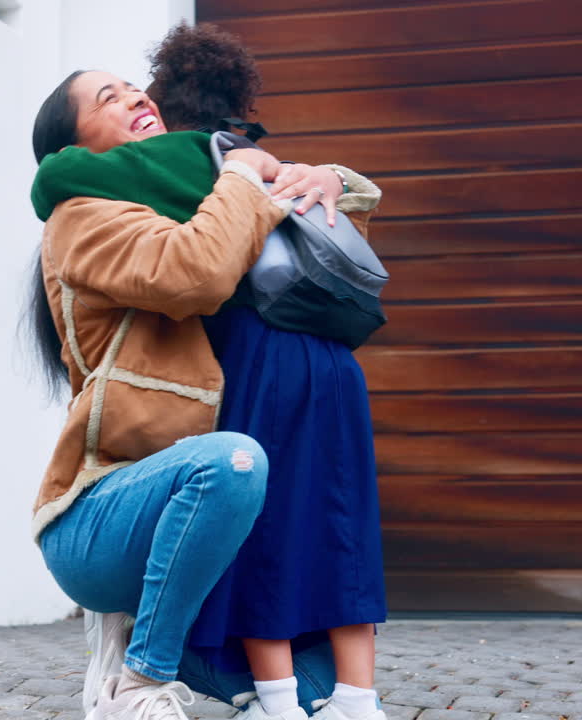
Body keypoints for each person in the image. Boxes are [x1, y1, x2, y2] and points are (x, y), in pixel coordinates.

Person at [25, 44, 381, 720]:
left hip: (189, 493)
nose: (133, 98)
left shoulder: (184, 191)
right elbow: (199, 272)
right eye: (107, 98)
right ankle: (140, 673)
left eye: (134, 89)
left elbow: (308, 236)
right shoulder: (82, 216)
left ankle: (196, 655)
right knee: (235, 462)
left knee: (311, 692)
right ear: (75, 145)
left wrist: (328, 175)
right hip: (103, 512)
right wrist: (245, 174)